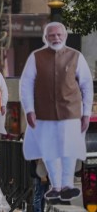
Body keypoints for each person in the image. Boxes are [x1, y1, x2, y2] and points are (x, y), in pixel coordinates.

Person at [20, 22, 93, 201]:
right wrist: (29, 110)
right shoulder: (36, 57)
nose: (56, 38)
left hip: (71, 112)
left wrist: (86, 113)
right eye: (52, 35)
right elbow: (26, 84)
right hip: (44, 114)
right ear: (46, 38)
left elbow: (86, 86)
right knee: (49, 151)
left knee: (68, 150)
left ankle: (67, 185)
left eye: (59, 35)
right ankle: (56, 186)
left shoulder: (75, 56)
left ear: (65, 36)